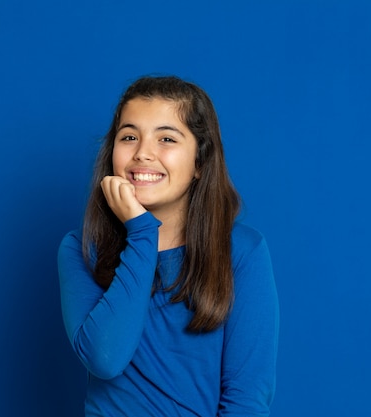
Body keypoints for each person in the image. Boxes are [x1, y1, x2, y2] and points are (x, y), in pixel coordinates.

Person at [57, 75, 279, 416]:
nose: (143, 153)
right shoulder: (82, 249)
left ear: (200, 164)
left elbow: (247, 399)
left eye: (166, 138)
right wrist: (143, 232)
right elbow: (105, 358)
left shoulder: (242, 251)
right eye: (129, 137)